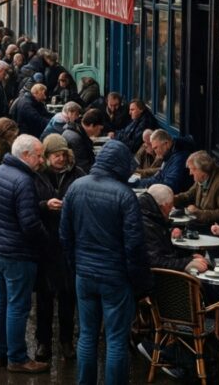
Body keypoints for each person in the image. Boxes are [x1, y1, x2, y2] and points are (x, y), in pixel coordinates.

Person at [60, 140, 150, 385]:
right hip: (115, 277)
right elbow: (134, 246)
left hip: (85, 274)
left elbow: (65, 235)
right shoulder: (125, 196)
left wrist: (76, 265)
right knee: (116, 340)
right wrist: (139, 283)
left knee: (87, 335)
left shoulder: (76, 188)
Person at [0, 135, 50, 373]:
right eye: (38, 155)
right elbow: (30, 224)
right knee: (18, 306)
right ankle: (17, 357)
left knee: (0, 300)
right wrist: (46, 241)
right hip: (18, 254)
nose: (41, 160)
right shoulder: (23, 181)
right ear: (25, 155)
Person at [33, 134, 84, 362]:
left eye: (64, 154)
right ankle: (43, 341)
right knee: (44, 296)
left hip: (68, 245)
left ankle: (66, 341)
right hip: (45, 243)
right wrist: (45, 205)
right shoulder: (37, 176)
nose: (61, 159)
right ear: (46, 156)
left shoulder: (78, 175)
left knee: (67, 296)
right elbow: (28, 204)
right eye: (56, 155)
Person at [139, 185, 209, 274]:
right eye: (171, 206)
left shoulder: (151, 218)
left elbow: (165, 252)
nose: (172, 209)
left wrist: (190, 257)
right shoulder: (147, 223)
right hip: (158, 279)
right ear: (164, 205)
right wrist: (186, 263)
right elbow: (155, 261)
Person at [173, 151, 219, 229]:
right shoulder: (202, 179)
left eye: (192, 169)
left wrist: (199, 213)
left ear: (201, 170)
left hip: (216, 228)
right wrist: (172, 199)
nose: (190, 173)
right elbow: (188, 195)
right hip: (203, 223)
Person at [63, 108, 104, 174]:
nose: (100, 132)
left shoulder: (78, 131)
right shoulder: (76, 139)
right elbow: (83, 167)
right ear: (91, 125)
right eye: (100, 129)